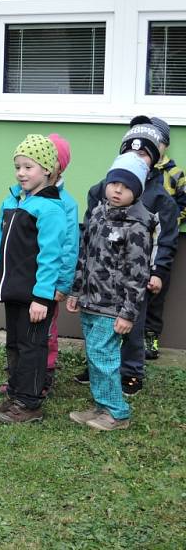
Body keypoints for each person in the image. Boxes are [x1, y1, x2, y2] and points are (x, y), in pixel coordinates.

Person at [76, 120, 178, 395]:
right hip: (101, 276)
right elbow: (89, 231)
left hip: (135, 277)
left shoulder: (159, 199)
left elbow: (165, 240)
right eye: (130, 152)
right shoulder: (103, 190)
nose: (137, 158)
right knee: (97, 323)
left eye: (144, 154)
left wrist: (157, 271)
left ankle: (131, 371)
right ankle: (96, 364)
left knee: (131, 323)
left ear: (154, 159)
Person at [66, 153, 155, 431]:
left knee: (105, 358)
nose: (117, 190)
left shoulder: (138, 227)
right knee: (94, 356)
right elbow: (85, 254)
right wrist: (76, 290)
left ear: (137, 191)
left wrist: (128, 314)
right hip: (91, 301)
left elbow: (138, 276)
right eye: (114, 182)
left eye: (126, 186)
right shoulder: (97, 214)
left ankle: (118, 413)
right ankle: (101, 406)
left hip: (113, 308)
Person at [0, 135, 67, 424]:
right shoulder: (12, 202)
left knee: (33, 348)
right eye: (18, 167)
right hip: (13, 292)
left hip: (35, 298)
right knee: (15, 344)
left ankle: (29, 404)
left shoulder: (50, 210)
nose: (21, 173)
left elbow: (51, 257)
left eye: (28, 167)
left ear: (46, 170)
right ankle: (16, 395)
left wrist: (42, 297)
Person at [144, 117, 185, 359]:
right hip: (135, 243)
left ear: (165, 145)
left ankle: (151, 337)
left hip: (161, 245)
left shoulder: (174, 173)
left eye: (156, 140)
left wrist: (170, 220)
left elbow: (184, 200)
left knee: (156, 292)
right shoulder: (135, 170)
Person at [44, 133, 80, 393]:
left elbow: (69, 247)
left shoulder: (66, 204)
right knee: (21, 330)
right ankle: (19, 373)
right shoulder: (21, 196)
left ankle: (44, 373)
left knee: (46, 329)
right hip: (25, 277)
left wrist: (63, 283)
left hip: (50, 280)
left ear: (59, 166)